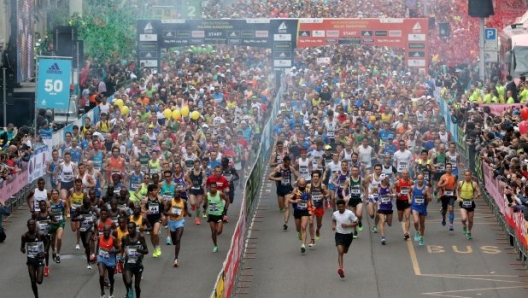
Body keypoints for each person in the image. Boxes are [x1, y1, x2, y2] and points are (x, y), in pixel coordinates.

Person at [21, 219, 49, 298]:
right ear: (27, 226)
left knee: (39, 281)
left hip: (39, 259)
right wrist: (23, 249)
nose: (31, 226)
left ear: (35, 226)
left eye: (33, 224)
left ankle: (42, 271)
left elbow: (47, 242)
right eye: (29, 225)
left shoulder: (41, 234)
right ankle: (36, 296)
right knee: (33, 281)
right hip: (30, 260)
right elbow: (22, 247)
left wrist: (45, 251)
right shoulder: (24, 236)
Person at [268, 155, 299, 227]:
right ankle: (281, 208)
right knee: (281, 207)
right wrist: (277, 179)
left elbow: (297, 174)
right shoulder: (278, 168)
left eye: (289, 163)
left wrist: (298, 180)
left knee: (287, 205)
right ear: (284, 162)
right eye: (287, 163)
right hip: (280, 189)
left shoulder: (290, 168)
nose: (288, 164)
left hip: (288, 188)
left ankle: (285, 223)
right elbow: (269, 177)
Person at [120, 221, 148, 298]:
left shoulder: (140, 237)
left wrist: (140, 251)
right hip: (128, 264)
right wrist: (121, 256)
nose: (130, 230)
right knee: (128, 282)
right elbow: (122, 248)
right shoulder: (125, 238)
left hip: (138, 264)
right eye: (128, 228)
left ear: (135, 228)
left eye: (131, 228)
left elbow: (146, 251)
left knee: (137, 286)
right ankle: (130, 290)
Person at [164, 190, 192, 267]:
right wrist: (171, 213)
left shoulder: (183, 202)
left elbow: (186, 210)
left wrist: (188, 213)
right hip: (172, 222)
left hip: (180, 221)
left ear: (180, 194)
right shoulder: (170, 202)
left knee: (178, 239)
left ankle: (176, 259)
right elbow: (164, 212)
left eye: (178, 193)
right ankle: (176, 244)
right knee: (174, 241)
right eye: (175, 193)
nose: (176, 194)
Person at [332, 199, 358, 278]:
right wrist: (333, 225)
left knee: (345, 251)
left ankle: (341, 267)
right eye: (339, 207)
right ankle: (341, 269)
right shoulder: (335, 214)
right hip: (339, 235)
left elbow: (356, 223)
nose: (341, 208)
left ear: (344, 206)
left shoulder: (349, 213)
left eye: (342, 207)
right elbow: (333, 220)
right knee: (340, 251)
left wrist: (348, 225)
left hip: (348, 235)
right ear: (337, 207)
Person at [72, 197, 100, 269]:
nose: (88, 206)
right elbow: (73, 218)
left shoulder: (93, 208)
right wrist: (79, 219)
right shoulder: (80, 209)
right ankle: (87, 252)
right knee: (85, 244)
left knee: (87, 242)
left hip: (90, 228)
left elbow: (98, 216)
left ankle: (88, 262)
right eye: (86, 204)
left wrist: (94, 220)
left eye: (89, 204)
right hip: (82, 228)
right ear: (83, 203)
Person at [286, 178, 313, 253]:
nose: (302, 186)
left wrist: (311, 206)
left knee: (303, 227)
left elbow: (310, 199)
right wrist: (295, 201)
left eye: (303, 184)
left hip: (305, 211)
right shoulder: (295, 191)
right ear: (298, 184)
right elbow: (288, 199)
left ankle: (303, 245)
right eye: (300, 184)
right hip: (297, 211)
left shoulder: (308, 190)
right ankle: (299, 232)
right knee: (298, 228)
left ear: (305, 184)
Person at [33, 200, 58, 277]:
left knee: (46, 251)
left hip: (48, 235)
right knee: (39, 251)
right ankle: (39, 265)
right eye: (41, 205)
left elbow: (57, 223)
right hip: (40, 235)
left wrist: (50, 222)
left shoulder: (50, 214)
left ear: (46, 206)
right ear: (39, 206)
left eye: (44, 205)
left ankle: (46, 267)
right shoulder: (36, 214)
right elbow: (33, 224)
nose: (43, 207)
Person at [205, 182, 230, 253]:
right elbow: (205, 203)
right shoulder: (207, 195)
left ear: (216, 188)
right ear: (210, 188)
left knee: (219, 231)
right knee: (213, 232)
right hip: (211, 215)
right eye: (212, 187)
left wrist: (225, 210)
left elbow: (227, 200)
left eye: (214, 187)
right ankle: (215, 246)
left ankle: (219, 227)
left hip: (219, 215)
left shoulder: (220, 194)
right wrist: (204, 210)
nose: (213, 189)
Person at [342, 165, 365, 238]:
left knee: (359, 214)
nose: (355, 172)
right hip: (351, 199)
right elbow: (344, 190)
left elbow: (366, 188)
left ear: (358, 171)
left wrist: (366, 196)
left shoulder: (362, 179)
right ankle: (355, 231)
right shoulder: (348, 180)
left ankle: (360, 221)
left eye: (356, 170)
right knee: (354, 217)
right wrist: (344, 196)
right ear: (351, 172)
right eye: (353, 170)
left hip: (359, 199)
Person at [141, 184, 164, 258]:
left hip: (157, 218)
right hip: (149, 220)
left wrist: (162, 215)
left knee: (155, 233)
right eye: (154, 190)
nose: (156, 191)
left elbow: (165, 206)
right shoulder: (146, 200)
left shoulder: (160, 198)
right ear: (150, 192)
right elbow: (141, 209)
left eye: (156, 190)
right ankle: (155, 249)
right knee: (151, 236)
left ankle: (158, 246)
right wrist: (145, 212)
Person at [457, 170, 481, 239]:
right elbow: (457, 189)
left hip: (470, 202)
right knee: (464, 218)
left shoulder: (474, 184)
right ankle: (464, 226)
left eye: (468, 175)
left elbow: (478, 191)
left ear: (470, 176)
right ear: (464, 176)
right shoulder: (461, 183)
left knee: (470, 220)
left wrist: (477, 195)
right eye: (466, 175)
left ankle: (469, 232)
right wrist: (458, 197)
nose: (467, 176)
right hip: (462, 201)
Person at [96, 224, 119, 298]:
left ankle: (111, 290)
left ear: (110, 231)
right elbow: (97, 246)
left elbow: (119, 249)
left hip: (110, 260)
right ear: (103, 231)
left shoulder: (113, 239)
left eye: (108, 231)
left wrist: (112, 252)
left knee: (111, 278)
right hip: (102, 259)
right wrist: (97, 255)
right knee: (101, 275)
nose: (106, 232)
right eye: (105, 230)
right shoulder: (100, 238)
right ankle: (102, 292)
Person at [410, 174, 431, 246]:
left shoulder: (426, 188)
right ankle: (417, 231)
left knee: (422, 224)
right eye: (418, 179)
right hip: (415, 206)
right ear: (416, 179)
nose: (419, 180)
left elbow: (430, 199)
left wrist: (426, 194)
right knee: (416, 221)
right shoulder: (413, 187)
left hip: (422, 207)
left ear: (423, 180)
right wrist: (409, 199)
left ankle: (421, 237)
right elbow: (408, 192)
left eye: (421, 179)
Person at [308, 171, 328, 240]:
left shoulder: (322, 186)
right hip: (312, 206)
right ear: (312, 177)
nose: (315, 178)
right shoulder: (309, 186)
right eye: (314, 176)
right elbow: (308, 195)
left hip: (319, 206)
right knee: (310, 222)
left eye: (317, 176)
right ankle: (312, 239)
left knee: (319, 224)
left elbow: (328, 194)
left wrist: (324, 196)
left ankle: (317, 229)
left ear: (319, 177)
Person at [394, 169, 413, 240]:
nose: (405, 175)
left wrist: (412, 197)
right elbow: (392, 188)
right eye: (404, 174)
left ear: (408, 174)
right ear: (402, 174)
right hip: (399, 201)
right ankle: (405, 230)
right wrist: (397, 193)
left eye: (406, 174)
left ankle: (406, 232)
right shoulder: (398, 182)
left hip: (407, 201)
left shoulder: (411, 182)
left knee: (407, 217)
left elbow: (414, 189)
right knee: (400, 219)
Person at [437, 163, 458, 230]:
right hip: (444, 195)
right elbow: (438, 186)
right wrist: (444, 184)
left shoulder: (454, 176)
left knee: (451, 208)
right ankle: (443, 218)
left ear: (451, 169)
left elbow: (456, 186)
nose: (449, 168)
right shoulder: (443, 177)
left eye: (450, 167)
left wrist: (455, 191)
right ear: (445, 169)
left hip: (451, 195)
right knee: (444, 211)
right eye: (447, 167)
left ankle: (451, 224)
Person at [186, 159, 205, 225]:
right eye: (195, 165)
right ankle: (192, 206)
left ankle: (197, 218)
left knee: (198, 205)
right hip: (192, 189)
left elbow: (205, 179)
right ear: (194, 165)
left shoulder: (202, 172)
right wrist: (189, 183)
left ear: (200, 165)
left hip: (199, 190)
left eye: (198, 165)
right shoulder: (191, 171)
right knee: (193, 203)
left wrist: (203, 184)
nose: (197, 166)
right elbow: (186, 177)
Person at [377, 174, 395, 245]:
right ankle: (383, 237)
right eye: (387, 178)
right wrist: (371, 196)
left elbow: (395, 194)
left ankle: (386, 218)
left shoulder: (390, 186)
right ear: (383, 180)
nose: (388, 179)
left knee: (389, 224)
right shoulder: (378, 187)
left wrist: (391, 195)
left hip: (389, 207)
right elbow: (371, 192)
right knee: (382, 221)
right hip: (381, 207)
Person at [49, 189, 65, 263]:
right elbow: (46, 212)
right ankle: (54, 251)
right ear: (51, 195)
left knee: (59, 238)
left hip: (60, 223)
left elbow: (66, 206)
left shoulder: (63, 202)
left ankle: (58, 254)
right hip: (52, 223)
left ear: (58, 194)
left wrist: (65, 214)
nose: (55, 195)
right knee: (52, 241)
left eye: (56, 194)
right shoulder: (48, 203)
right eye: (53, 194)